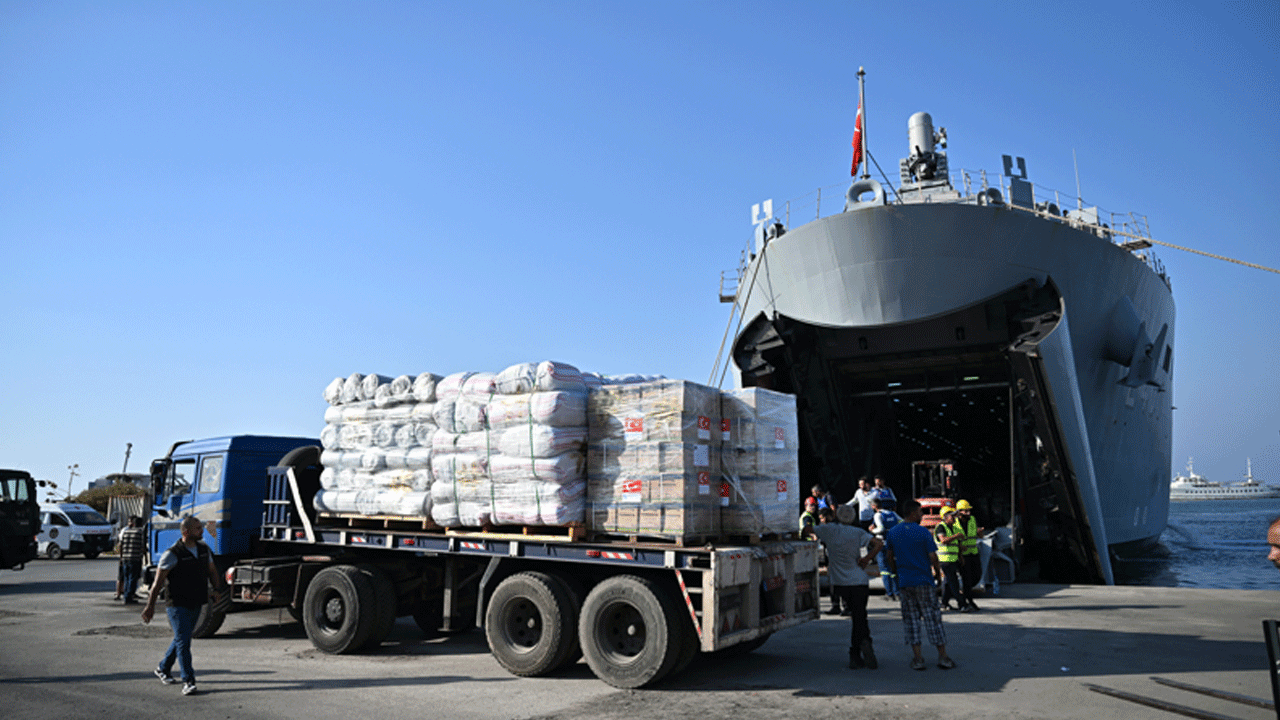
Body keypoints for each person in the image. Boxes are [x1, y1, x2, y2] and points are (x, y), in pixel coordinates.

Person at [141, 516, 227, 696]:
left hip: (197, 601)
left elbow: (212, 571)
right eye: (198, 528)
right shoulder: (172, 554)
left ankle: (163, 668)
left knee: (182, 638)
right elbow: (157, 584)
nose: (202, 531)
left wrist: (216, 589)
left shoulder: (204, 549)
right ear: (186, 532)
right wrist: (150, 606)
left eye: (201, 527)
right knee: (184, 641)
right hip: (177, 604)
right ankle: (188, 681)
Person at [806, 504, 882, 669]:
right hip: (859, 581)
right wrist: (867, 559)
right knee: (860, 617)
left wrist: (808, 520)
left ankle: (859, 650)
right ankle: (860, 647)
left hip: (840, 582)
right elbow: (878, 543)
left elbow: (807, 530)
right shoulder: (858, 532)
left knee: (858, 617)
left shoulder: (828, 530)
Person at [885, 499, 956, 671]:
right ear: (912, 513)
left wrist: (896, 573)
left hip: (905, 582)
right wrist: (938, 575)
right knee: (932, 618)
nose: (922, 515)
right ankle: (943, 657)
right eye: (919, 512)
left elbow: (889, 557)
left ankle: (918, 659)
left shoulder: (893, 532)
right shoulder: (923, 533)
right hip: (923, 581)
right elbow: (933, 557)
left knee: (911, 620)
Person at [933, 506, 970, 611]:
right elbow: (943, 540)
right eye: (952, 516)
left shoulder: (953, 528)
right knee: (954, 583)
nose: (955, 518)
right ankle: (962, 604)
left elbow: (954, 544)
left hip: (953, 559)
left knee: (948, 583)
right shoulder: (941, 527)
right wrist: (957, 536)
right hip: (945, 560)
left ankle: (944, 604)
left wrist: (960, 554)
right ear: (945, 517)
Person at [868, 497, 900, 600]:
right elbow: (902, 521)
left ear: (874, 506)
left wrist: (872, 531)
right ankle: (897, 592)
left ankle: (889, 593)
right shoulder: (892, 514)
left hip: (882, 543)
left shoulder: (878, 515)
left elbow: (881, 528)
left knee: (884, 570)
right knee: (893, 568)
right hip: (893, 544)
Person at [955, 499, 983, 611]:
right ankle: (969, 600)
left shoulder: (972, 520)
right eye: (965, 511)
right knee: (967, 578)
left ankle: (966, 593)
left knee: (977, 575)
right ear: (959, 512)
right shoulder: (955, 523)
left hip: (973, 553)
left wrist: (980, 533)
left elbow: (977, 534)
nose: (968, 513)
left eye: (969, 510)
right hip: (963, 555)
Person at [117, 516, 148, 604]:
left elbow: (121, 545)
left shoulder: (126, 532)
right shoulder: (140, 532)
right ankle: (129, 597)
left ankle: (126, 595)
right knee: (132, 578)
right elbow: (143, 546)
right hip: (135, 558)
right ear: (141, 524)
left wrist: (121, 558)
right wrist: (145, 557)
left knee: (126, 578)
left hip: (125, 558)